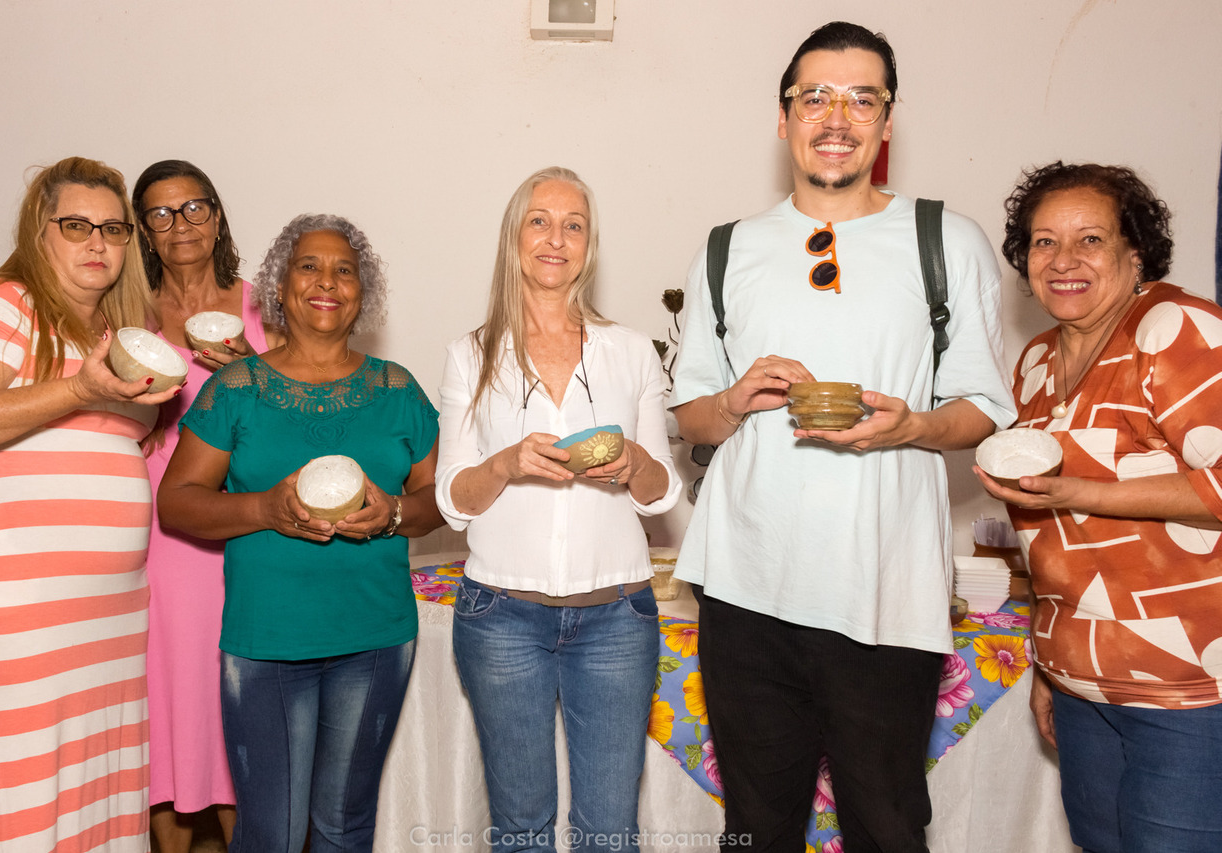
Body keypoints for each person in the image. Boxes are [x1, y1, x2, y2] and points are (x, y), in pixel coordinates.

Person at [668, 22, 1016, 852]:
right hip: (746, 589)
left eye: (863, 98)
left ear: (888, 122)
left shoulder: (947, 241)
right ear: (782, 118)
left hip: (886, 590)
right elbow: (690, 416)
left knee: (888, 826)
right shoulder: (726, 250)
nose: (837, 115)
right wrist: (739, 397)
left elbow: (986, 409)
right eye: (814, 96)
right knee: (755, 826)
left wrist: (917, 426)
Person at [157, 213, 441, 852]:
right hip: (266, 643)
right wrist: (264, 510)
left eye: (345, 270)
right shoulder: (236, 388)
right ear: (279, 290)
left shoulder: (398, 390)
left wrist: (393, 513)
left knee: (345, 827)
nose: (327, 282)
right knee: (273, 834)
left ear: (361, 295)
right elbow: (176, 503)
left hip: (375, 640)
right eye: (308, 266)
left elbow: (436, 503)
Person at [975, 162, 1222, 852]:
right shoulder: (1034, 363)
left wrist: (1083, 490)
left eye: (1090, 240)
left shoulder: (1175, 328)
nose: (1064, 260)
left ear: (1134, 252)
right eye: (1044, 242)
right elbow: (1044, 537)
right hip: (1083, 686)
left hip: (1191, 687)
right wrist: (1046, 663)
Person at [436, 166, 682, 853]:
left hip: (616, 617)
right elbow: (453, 499)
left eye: (574, 225)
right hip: (500, 617)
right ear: (514, 235)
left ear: (589, 245)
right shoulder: (472, 356)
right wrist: (506, 463)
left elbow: (663, 493)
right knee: (520, 830)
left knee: (610, 830)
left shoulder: (631, 352)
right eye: (540, 220)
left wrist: (634, 463)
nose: (556, 237)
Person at [0, 156, 181, 851]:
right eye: (76, 225)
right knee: (21, 794)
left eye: (113, 228)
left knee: (98, 794)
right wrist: (81, 389)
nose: (98, 243)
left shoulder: (120, 329)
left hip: (107, 614)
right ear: (39, 231)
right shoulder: (4, 305)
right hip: (13, 609)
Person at [132, 159, 283, 851]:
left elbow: (296, 420)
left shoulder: (262, 307)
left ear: (217, 216)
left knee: (234, 705)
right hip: (149, 534)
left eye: (194, 208)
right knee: (162, 699)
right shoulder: (126, 313)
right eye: (160, 214)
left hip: (239, 529)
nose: (180, 225)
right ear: (144, 230)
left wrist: (250, 367)